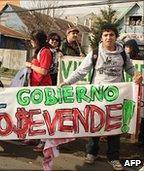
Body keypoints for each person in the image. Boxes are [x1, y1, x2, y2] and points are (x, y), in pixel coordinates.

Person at [61, 24, 142, 171]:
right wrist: (67, 82)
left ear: (116, 37)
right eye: (105, 35)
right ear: (101, 38)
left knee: (114, 128)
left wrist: (136, 75)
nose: (108, 37)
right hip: (97, 97)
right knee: (95, 124)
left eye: (111, 35)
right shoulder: (95, 53)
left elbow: (130, 69)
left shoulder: (123, 54)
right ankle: (91, 153)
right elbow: (81, 71)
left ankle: (113, 158)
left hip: (116, 98)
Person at [25, 29, 53, 152]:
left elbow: (44, 71)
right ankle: (35, 137)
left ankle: (43, 141)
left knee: (43, 115)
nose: (31, 42)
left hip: (43, 88)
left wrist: (30, 65)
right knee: (35, 114)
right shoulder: (40, 51)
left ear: (37, 41)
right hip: (36, 87)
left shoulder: (46, 52)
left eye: (32, 40)